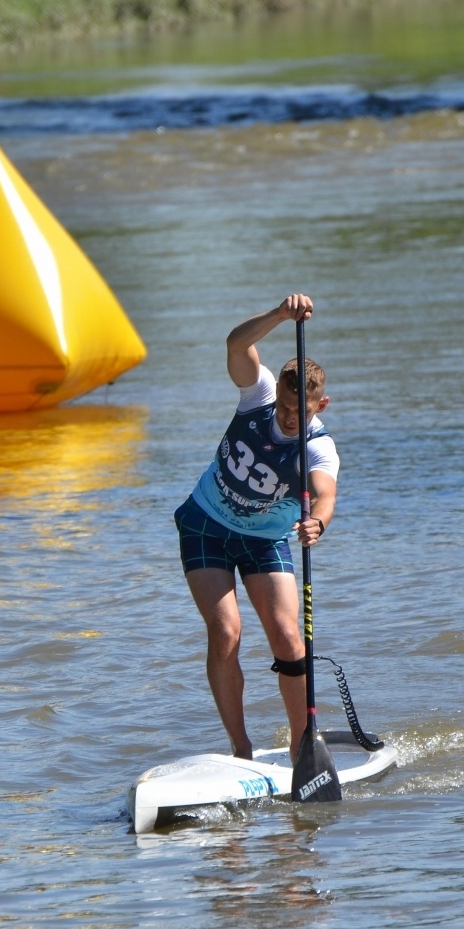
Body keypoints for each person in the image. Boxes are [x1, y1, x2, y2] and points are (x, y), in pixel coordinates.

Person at [174, 293, 338, 762]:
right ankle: (241, 749)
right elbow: (235, 345)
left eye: (299, 411)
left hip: (265, 541)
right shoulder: (260, 396)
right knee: (226, 632)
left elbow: (325, 494)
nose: (288, 417)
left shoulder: (320, 449)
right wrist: (280, 315)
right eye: (285, 407)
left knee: (288, 637)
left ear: (320, 403)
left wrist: (317, 523)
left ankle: (302, 747)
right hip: (205, 525)